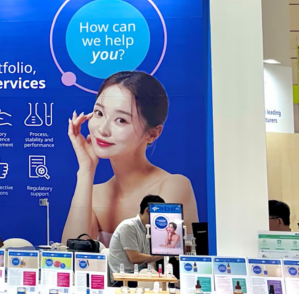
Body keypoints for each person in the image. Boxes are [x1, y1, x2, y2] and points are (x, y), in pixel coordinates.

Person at [61, 70, 198, 245]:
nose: (102, 129)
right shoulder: (94, 195)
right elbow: (69, 254)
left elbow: (163, 256)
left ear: (153, 133)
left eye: (121, 120)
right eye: (99, 113)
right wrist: (86, 170)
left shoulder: (172, 186)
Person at [107, 194, 165, 284]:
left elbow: (147, 259)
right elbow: (134, 258)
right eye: (159, 214)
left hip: (140, 275)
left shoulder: (148, 230)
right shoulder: (128, 226)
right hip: (124, 278)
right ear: (147, 210)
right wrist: (164, 254)